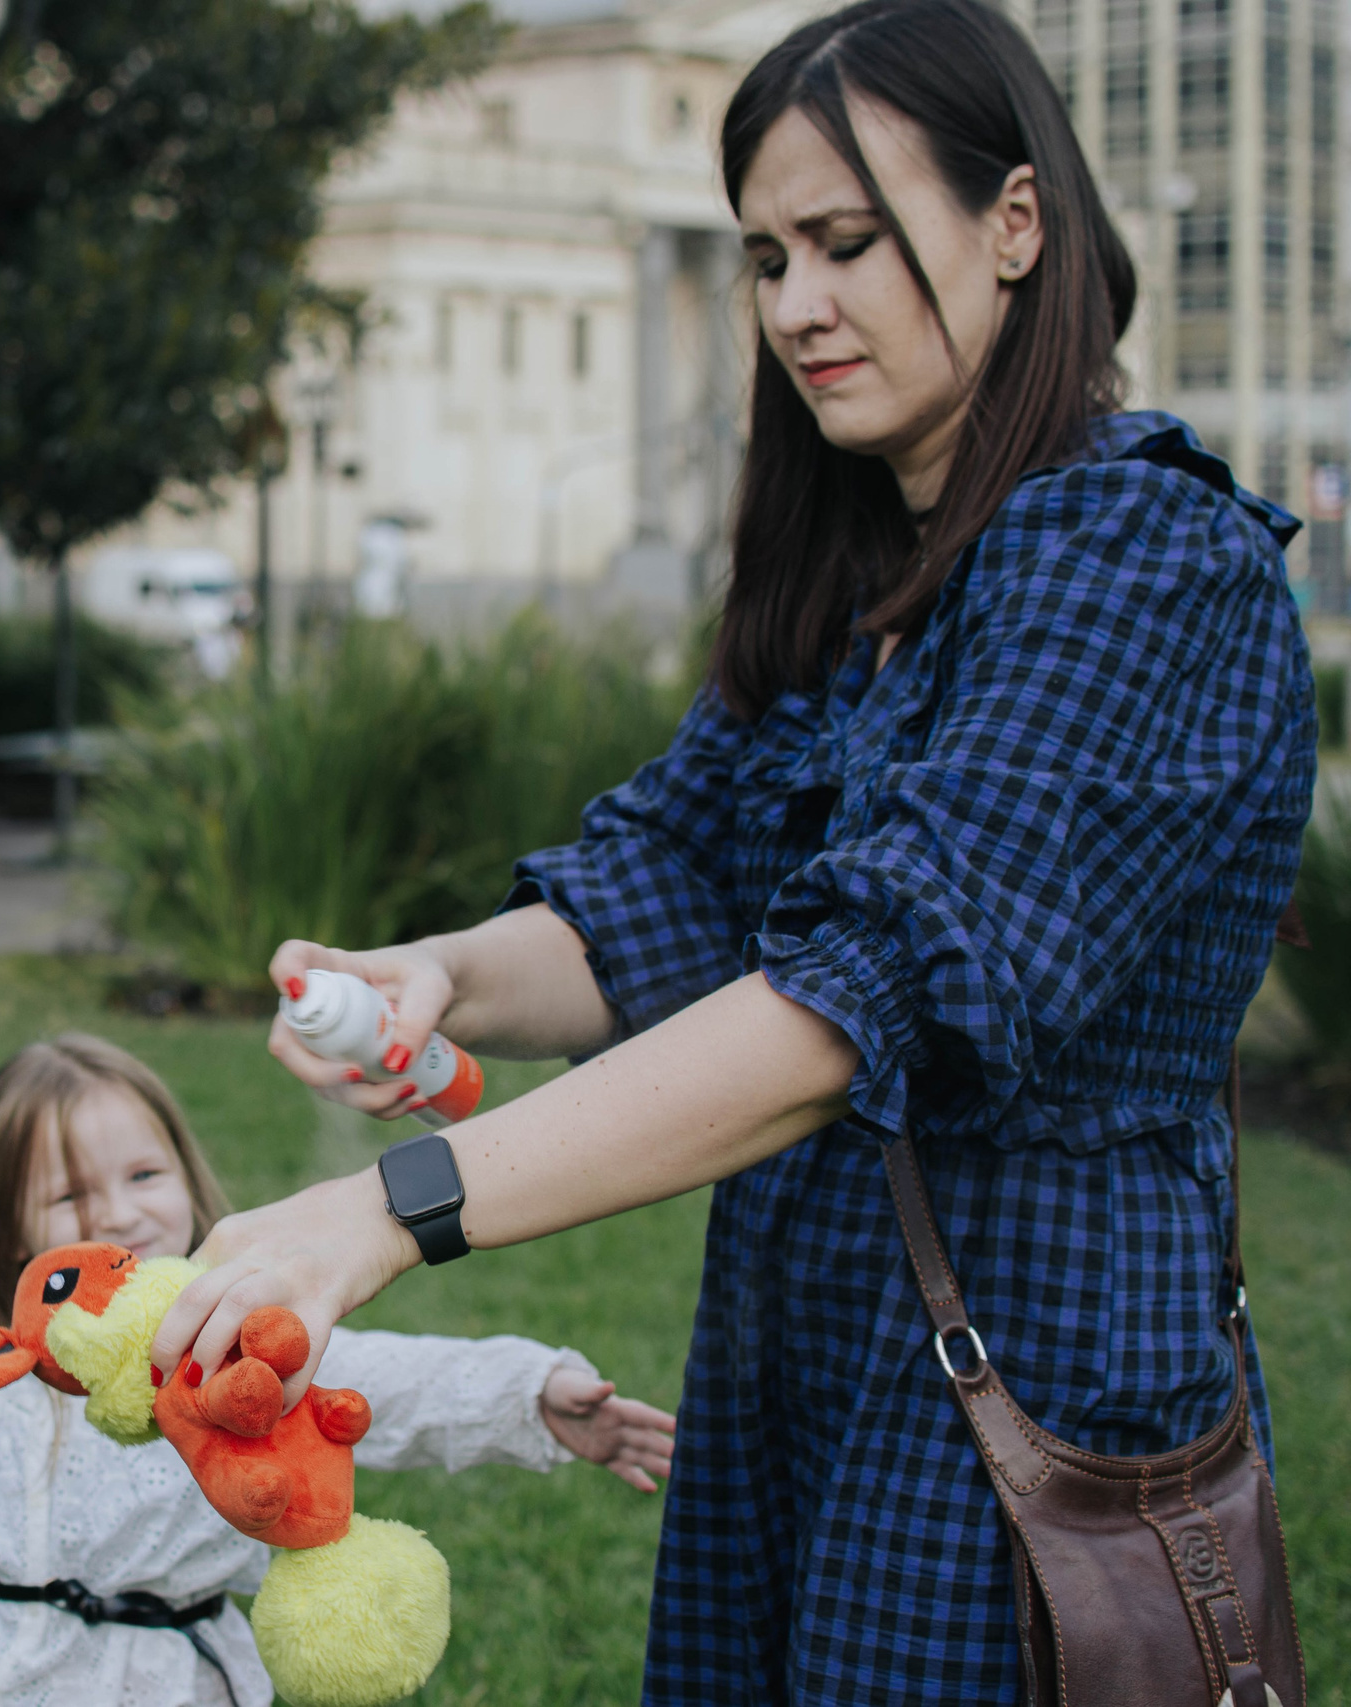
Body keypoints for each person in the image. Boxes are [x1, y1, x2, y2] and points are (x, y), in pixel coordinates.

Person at [145, 2, 1318, 1701]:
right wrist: (444, 975)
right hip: (803, 1360)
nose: (796, 308)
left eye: (847, 242)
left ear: (1016, 222)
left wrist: (388, 1213)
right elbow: (670, 891)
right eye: (767, 258)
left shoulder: (1140, 558)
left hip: (1037, 1388)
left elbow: (856, 1002)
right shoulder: (861, 583)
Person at [0, 1035, 676, 1707]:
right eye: (71, 1195)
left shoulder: (234, 1340)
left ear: (188, 1174)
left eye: (143, 1172)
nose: (116, 1211)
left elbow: (392, 1385)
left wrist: (531, 1397)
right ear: (13, 1223)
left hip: (173, 1677)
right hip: (3, 1666)